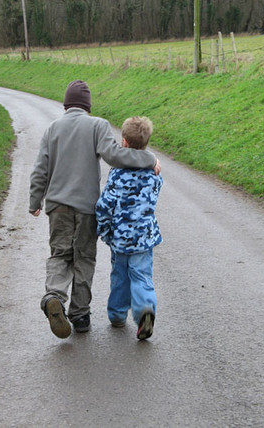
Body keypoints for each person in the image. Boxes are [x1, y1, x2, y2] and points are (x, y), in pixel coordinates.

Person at [29, 80, 161, 339]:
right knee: (84, 259)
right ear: (88, 106)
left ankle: (54, 296)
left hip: (58, 208)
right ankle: (80, 316)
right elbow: (115, 156)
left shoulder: (52, 129)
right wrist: (149, 158)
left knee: (60, 256)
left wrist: (35, 201)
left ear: (66, 104)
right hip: (87, 207)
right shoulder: (97, 125)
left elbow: (40, 170)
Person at [95, 116, 163, 340]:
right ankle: (145, 311)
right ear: (146, 143)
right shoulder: (154, 175)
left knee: (120, 277)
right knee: (142, 276)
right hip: (143, 238)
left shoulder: (117, 175)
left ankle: (116, 315)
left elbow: (105, 206)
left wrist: (104, 231)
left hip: (121, 238)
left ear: (123, 142)